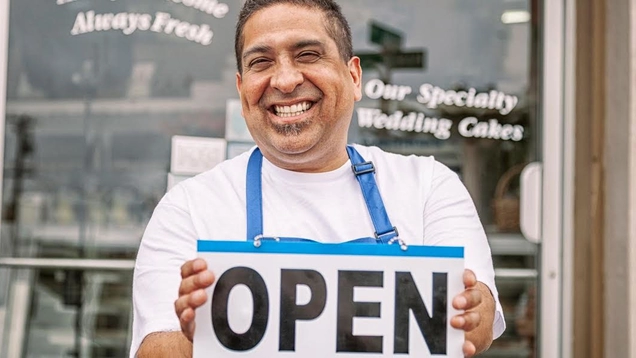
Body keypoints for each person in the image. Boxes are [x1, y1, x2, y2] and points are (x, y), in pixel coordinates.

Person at [130, 0, 505, 356]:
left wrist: (467, 310)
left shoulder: (427, 185)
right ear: (242, 90)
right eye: (261, 62)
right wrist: (204, 336)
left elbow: (477, 325)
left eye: (307, 55)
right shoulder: (189, 207)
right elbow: (154, 348)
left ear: (354, 76)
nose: (286, 79)